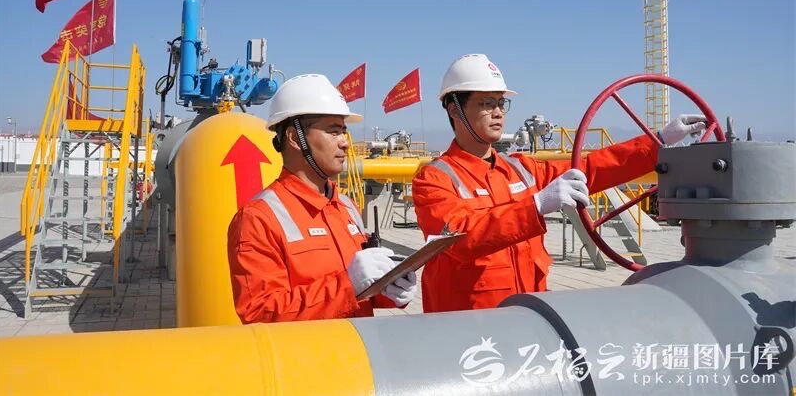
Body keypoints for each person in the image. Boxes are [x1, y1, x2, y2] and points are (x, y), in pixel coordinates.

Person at [412, 54, 707, 313]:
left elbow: (590, 168)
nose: (498, 112)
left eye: (501, 102)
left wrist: (658, 141)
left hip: (527, 315)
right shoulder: (434, 179)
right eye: (486, 103)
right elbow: (461, 240)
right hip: (467, 327)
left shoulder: (521, 169)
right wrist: (535, 206)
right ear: (454, 109)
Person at [227, 74, 417, 323]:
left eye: (344, 131)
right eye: (333, 131)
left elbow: (361, 293)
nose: (345, 143)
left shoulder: (346, 206)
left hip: (358, 345)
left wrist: (389, 289)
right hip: (307, 350)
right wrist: (348, 285)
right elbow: (260, 313)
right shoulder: (258, 219)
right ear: (295, 138)